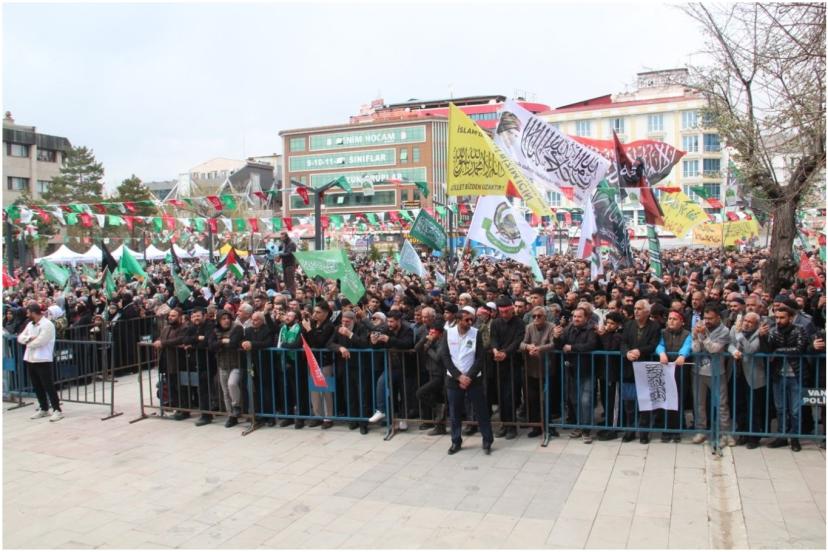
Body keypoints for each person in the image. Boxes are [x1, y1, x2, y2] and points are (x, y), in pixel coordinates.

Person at [439, 305, 493, 455]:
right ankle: (456, 441)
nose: (470, 322)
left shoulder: (476, 333)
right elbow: (445, 356)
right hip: (453, 379)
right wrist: (458, 376)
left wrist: (469, 376)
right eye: (467, 320)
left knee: (481, 411)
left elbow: (480, 357)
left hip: (473, 378)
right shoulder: (448, 333)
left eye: (472, 320)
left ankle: (487, 439)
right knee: (455, 412)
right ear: (458, 320)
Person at [760, 304, 808, 451]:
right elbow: (767, 351)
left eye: (782, 318)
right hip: (778, 375)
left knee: (795, 410)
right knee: (780, 408)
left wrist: (778, 351)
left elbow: (799, 349)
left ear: (790, 318)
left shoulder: (799, 330)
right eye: (776, 317)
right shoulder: (773, 331)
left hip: (796, 375)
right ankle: (781, 436)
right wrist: (762, 337)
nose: (778, 320)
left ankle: (794, 438)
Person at [553, 307, 599, 443]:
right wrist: (556, 337)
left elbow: (591, 345)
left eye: (579, 316)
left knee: (586, 401)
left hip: (587, 370)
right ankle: (579, 426)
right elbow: (560, 345)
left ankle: (586, 430)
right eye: (574, 316)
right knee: (575, 400)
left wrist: (572, 348)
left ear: (586, 318)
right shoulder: (569, 329)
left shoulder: (591, 329)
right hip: (572, 370)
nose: (576, 319)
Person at [691, 304, 734, 447]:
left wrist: (703, 336)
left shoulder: (724, 331)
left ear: (718, 318)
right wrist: (695, 337)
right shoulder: (699, 326)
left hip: (716, 372)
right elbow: (695, 350)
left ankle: (725, 433)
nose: (707, 321)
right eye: (705, 318)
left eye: (710, 318)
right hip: (698, 371)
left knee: (721, 404)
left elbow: (714, 349)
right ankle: (701, 430)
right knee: (699, 403)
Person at [619, 300, 661, 443]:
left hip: (645, 368)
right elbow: (623, 342)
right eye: (635, 308)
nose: (636, 311)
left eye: (639, 309)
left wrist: (639, 351)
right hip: (629, 368)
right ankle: (630, 431)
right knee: (629, 403)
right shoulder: (628, 324)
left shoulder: (654, 326)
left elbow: (653, 345)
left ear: (647, 312)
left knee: (645, 402)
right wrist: (627, 353)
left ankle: (644, 432)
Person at [326, 310, 371, 434]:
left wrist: (350, 334)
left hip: (360, 366)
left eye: (347, 321)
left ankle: (363, 423)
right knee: (349, 394)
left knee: (362, 394)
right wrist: (340, 348)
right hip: (345, 366)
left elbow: (364, 343)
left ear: (353, 321)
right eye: (343, 321)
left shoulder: (361, 328)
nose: (345, 324)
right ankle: (353, 420)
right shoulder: (338, 329)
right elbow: (329, 343)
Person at [18, 302, 62, 422]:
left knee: (48, 385)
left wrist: (28, 343)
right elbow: (20, 337)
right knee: (37, 385)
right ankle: (44, 408)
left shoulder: (47, 324)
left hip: (43, 359)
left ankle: (57, 410)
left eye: (28, 312)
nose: (27, 315)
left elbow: (41, 341)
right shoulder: (30, 324)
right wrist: (28, 339)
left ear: (33, 312)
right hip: (30, 358)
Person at [728, 312, 765, 448]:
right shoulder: (734, 328)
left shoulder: (759, 333)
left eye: (750, 322)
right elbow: (729, 344)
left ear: (756, 324)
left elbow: (750, 349)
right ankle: (742, 432)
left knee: (753, 407)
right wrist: (734, 351)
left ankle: (753, 437)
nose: (746, 324)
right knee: (739, 404)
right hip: (737, 372)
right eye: (745, 320)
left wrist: (740, 335)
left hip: (753, 374)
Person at [490, 296, 525, 440]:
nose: (504, 315)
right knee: (501, 396)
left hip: (513, 363)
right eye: (501, 312)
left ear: (511, 310)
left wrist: (505, 353)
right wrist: (495, 350)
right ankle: (504, 424)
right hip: (499, 363)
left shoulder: (519, 323)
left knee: (511, 396)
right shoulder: (496, 322)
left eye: (506, 312)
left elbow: (518, 341)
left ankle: (512, 426)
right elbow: (493, 338)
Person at [655, 310, 692, 442]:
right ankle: (665, 428)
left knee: (678, 399)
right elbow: (659, 344)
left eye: (674, 319)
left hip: (679, 370)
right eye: (669, 318)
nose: (671, 321)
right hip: (665, 368)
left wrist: (682, 355)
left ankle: (677, 429)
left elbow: (688, 345)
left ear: (682, 322)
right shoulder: (662, 332)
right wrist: (661, 353)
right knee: (665, 399)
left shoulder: (687, 334)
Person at [519, 306, 555, 438]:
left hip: (546, 368)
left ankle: (549, 426)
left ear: (545, 317)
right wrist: (528, 346)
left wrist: (539, 348)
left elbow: (553, 344)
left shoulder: (551, 327)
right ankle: (536, 427)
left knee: (546, 399)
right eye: (534, 316)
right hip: (531, 368)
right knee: (532, 399)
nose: (536, 318)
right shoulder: (529, 327)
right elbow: (522, 344)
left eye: (539, 316)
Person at [152, 307, 192, 420]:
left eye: (173, 316)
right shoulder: (166, 328)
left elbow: (180, 339)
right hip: (167, 361)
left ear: (180, 317)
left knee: (181, 387)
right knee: (172, 386)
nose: (170, 317)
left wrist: (163, 343)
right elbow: (161, 338)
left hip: (179, 362)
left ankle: (184, 410)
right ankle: (177, 408)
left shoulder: (185, 328)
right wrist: (158, 341)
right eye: (170, 315)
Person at [301, 301, 336, 429]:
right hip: (312, 360)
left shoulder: (329, 326)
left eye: (318, 312)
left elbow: (320, 342)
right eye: (314, 312)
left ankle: (328, 417)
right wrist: (305, 326)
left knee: (326, 391)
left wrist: (309, 329)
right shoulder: (313, 323)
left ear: (326, 313)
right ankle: (317, 416)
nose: (315, 314)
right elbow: (305, 338)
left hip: (324, 362)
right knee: (314, 391)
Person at [208, 310, 244, 427]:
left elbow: (233, 343)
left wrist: (220, 343)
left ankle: (236, 405)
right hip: (222, 364)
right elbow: (211, 345)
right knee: (225, 392)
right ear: (218, 320)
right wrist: (223, 341)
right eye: (223, 319)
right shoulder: (215, 330)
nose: (226, 320)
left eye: (228, 318)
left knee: (232, 384)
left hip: (236, 363)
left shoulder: (237, 328)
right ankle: (231, 416)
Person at [242, 311, 275, 426]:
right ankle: (260, 414)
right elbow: (244, 340)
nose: (253, 322)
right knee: (257, 390)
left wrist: (252, 344)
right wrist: (244, 343)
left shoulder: (267, 329)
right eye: (252, 319)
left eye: (256, 320)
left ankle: (270, 416)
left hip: (265, 363)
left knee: (267, 390)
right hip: (253, 363)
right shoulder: (248, 330)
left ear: (262, 320)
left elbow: (268, 343)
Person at [414, 322, 447, 435]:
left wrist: (428, 348)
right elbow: (417, 348)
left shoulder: (443, 341)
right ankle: (440, 427)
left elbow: (438, 357)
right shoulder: (430, 340)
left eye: (434, 332)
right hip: (431, 373)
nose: (431, 334)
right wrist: (424, 339)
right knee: (437, 398)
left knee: (420, 393)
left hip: (440, 374)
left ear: (440, 333)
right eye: (430, 332)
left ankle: (440, 409)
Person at [278, 231, 297, 296]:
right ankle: (288, 293)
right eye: (281, 238)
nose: (281, 239)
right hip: (285, 265)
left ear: (286, 237)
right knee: (286, 280)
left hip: (290, 265)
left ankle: (292, 295)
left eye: (282, 238)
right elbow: (278, 249)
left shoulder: (292, 244)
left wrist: (280, 255)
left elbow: (289, 254)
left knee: (290, 281)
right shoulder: (283, 244)